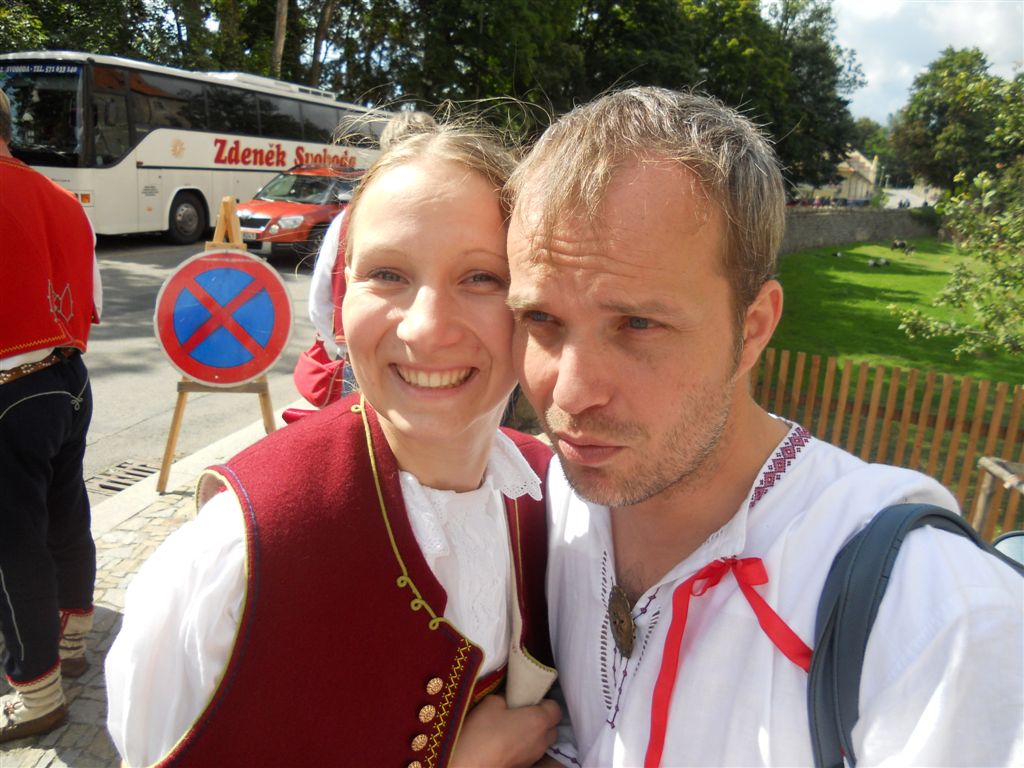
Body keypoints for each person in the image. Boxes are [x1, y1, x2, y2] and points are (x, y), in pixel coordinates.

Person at [504, 87, 1023, 766]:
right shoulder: (537, 512)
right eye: (541, 319)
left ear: (752, 328)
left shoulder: (937, 626)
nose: (570, 392)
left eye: (637, 323)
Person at [105, 120, 560, 766]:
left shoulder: (560, 506)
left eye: (482, 278)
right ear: (343, 297)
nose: (426, 328)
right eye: (387, 274)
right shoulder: (237, 555)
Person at [0, 87, 102, 742]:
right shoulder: (65, 200)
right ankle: (72, 641)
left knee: (13, 544)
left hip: (8, 386)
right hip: (68, 378)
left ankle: (36, 692)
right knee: (66, 513)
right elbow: (91, 302)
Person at [304, 110, 438, 404]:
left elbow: (318, 302)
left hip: (360, 361)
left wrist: (343, 347)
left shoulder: (348, 218)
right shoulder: (453, 215)